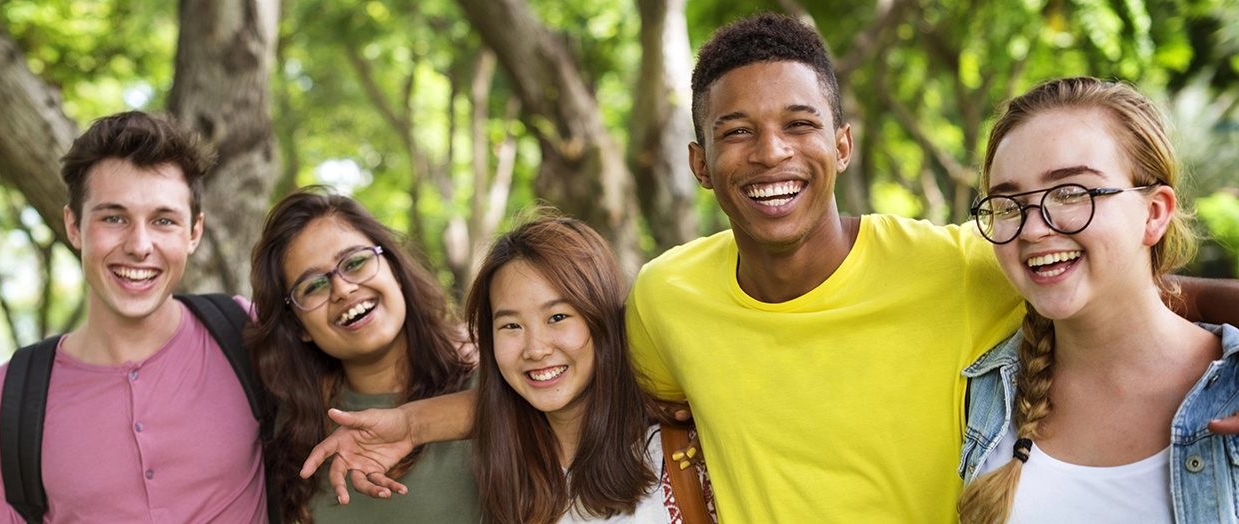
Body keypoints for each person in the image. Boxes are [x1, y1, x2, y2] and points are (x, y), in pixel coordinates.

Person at [298, 14, 1239, 523]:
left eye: (797, 125)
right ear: (701, 165)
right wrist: (410, 421)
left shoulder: (960, 261)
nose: (769, 154)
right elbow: (577, 387)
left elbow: (1134, 280)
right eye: (734, 133)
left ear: (840, 142)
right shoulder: (669, 295)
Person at [0, 111, 269, 522]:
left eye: (163, 220)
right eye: (113, 218)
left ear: (193, 233)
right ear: (74, 226)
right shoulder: (9, 397)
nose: (140, 245)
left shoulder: (248, 333)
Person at [956, 77, 1239, 523]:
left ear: (1154, 213)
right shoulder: (987, 390)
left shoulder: (1230, 388)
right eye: (1008, 205)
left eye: (1071, 193)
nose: (1032, 230)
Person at [247, 187, 479, 523]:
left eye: (355, 262)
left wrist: (415, 423)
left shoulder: (490, 377)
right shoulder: (293, 428)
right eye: (313, 286)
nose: (342, 289)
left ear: (395, 269)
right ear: (299, 327)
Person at [465, 217, 714, 523]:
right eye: (511, 325)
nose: (536, 349)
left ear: (602, 319)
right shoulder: (503, 473)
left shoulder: (687, 452)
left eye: (557, 317)